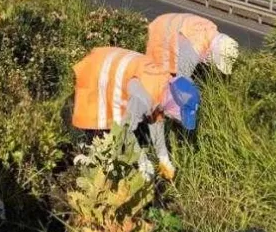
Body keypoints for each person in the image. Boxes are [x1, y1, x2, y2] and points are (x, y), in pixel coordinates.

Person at [72, 47, 201, 181]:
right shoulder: (142, 97)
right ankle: (84, 147)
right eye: (177, 116)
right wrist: (142, 161)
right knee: (98, 117)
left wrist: (164, 159)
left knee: (119, 121)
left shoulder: (166, 85)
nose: (175, 120)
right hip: (98, 68)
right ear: (172, 105)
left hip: (120, 67)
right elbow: (125, 129)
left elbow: (156, 122)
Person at [146, 13, 240, 78]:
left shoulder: (211, 29)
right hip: (161, 32)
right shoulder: (195, 47)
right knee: (158, 73)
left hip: (167, 23)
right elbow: (181, 78)